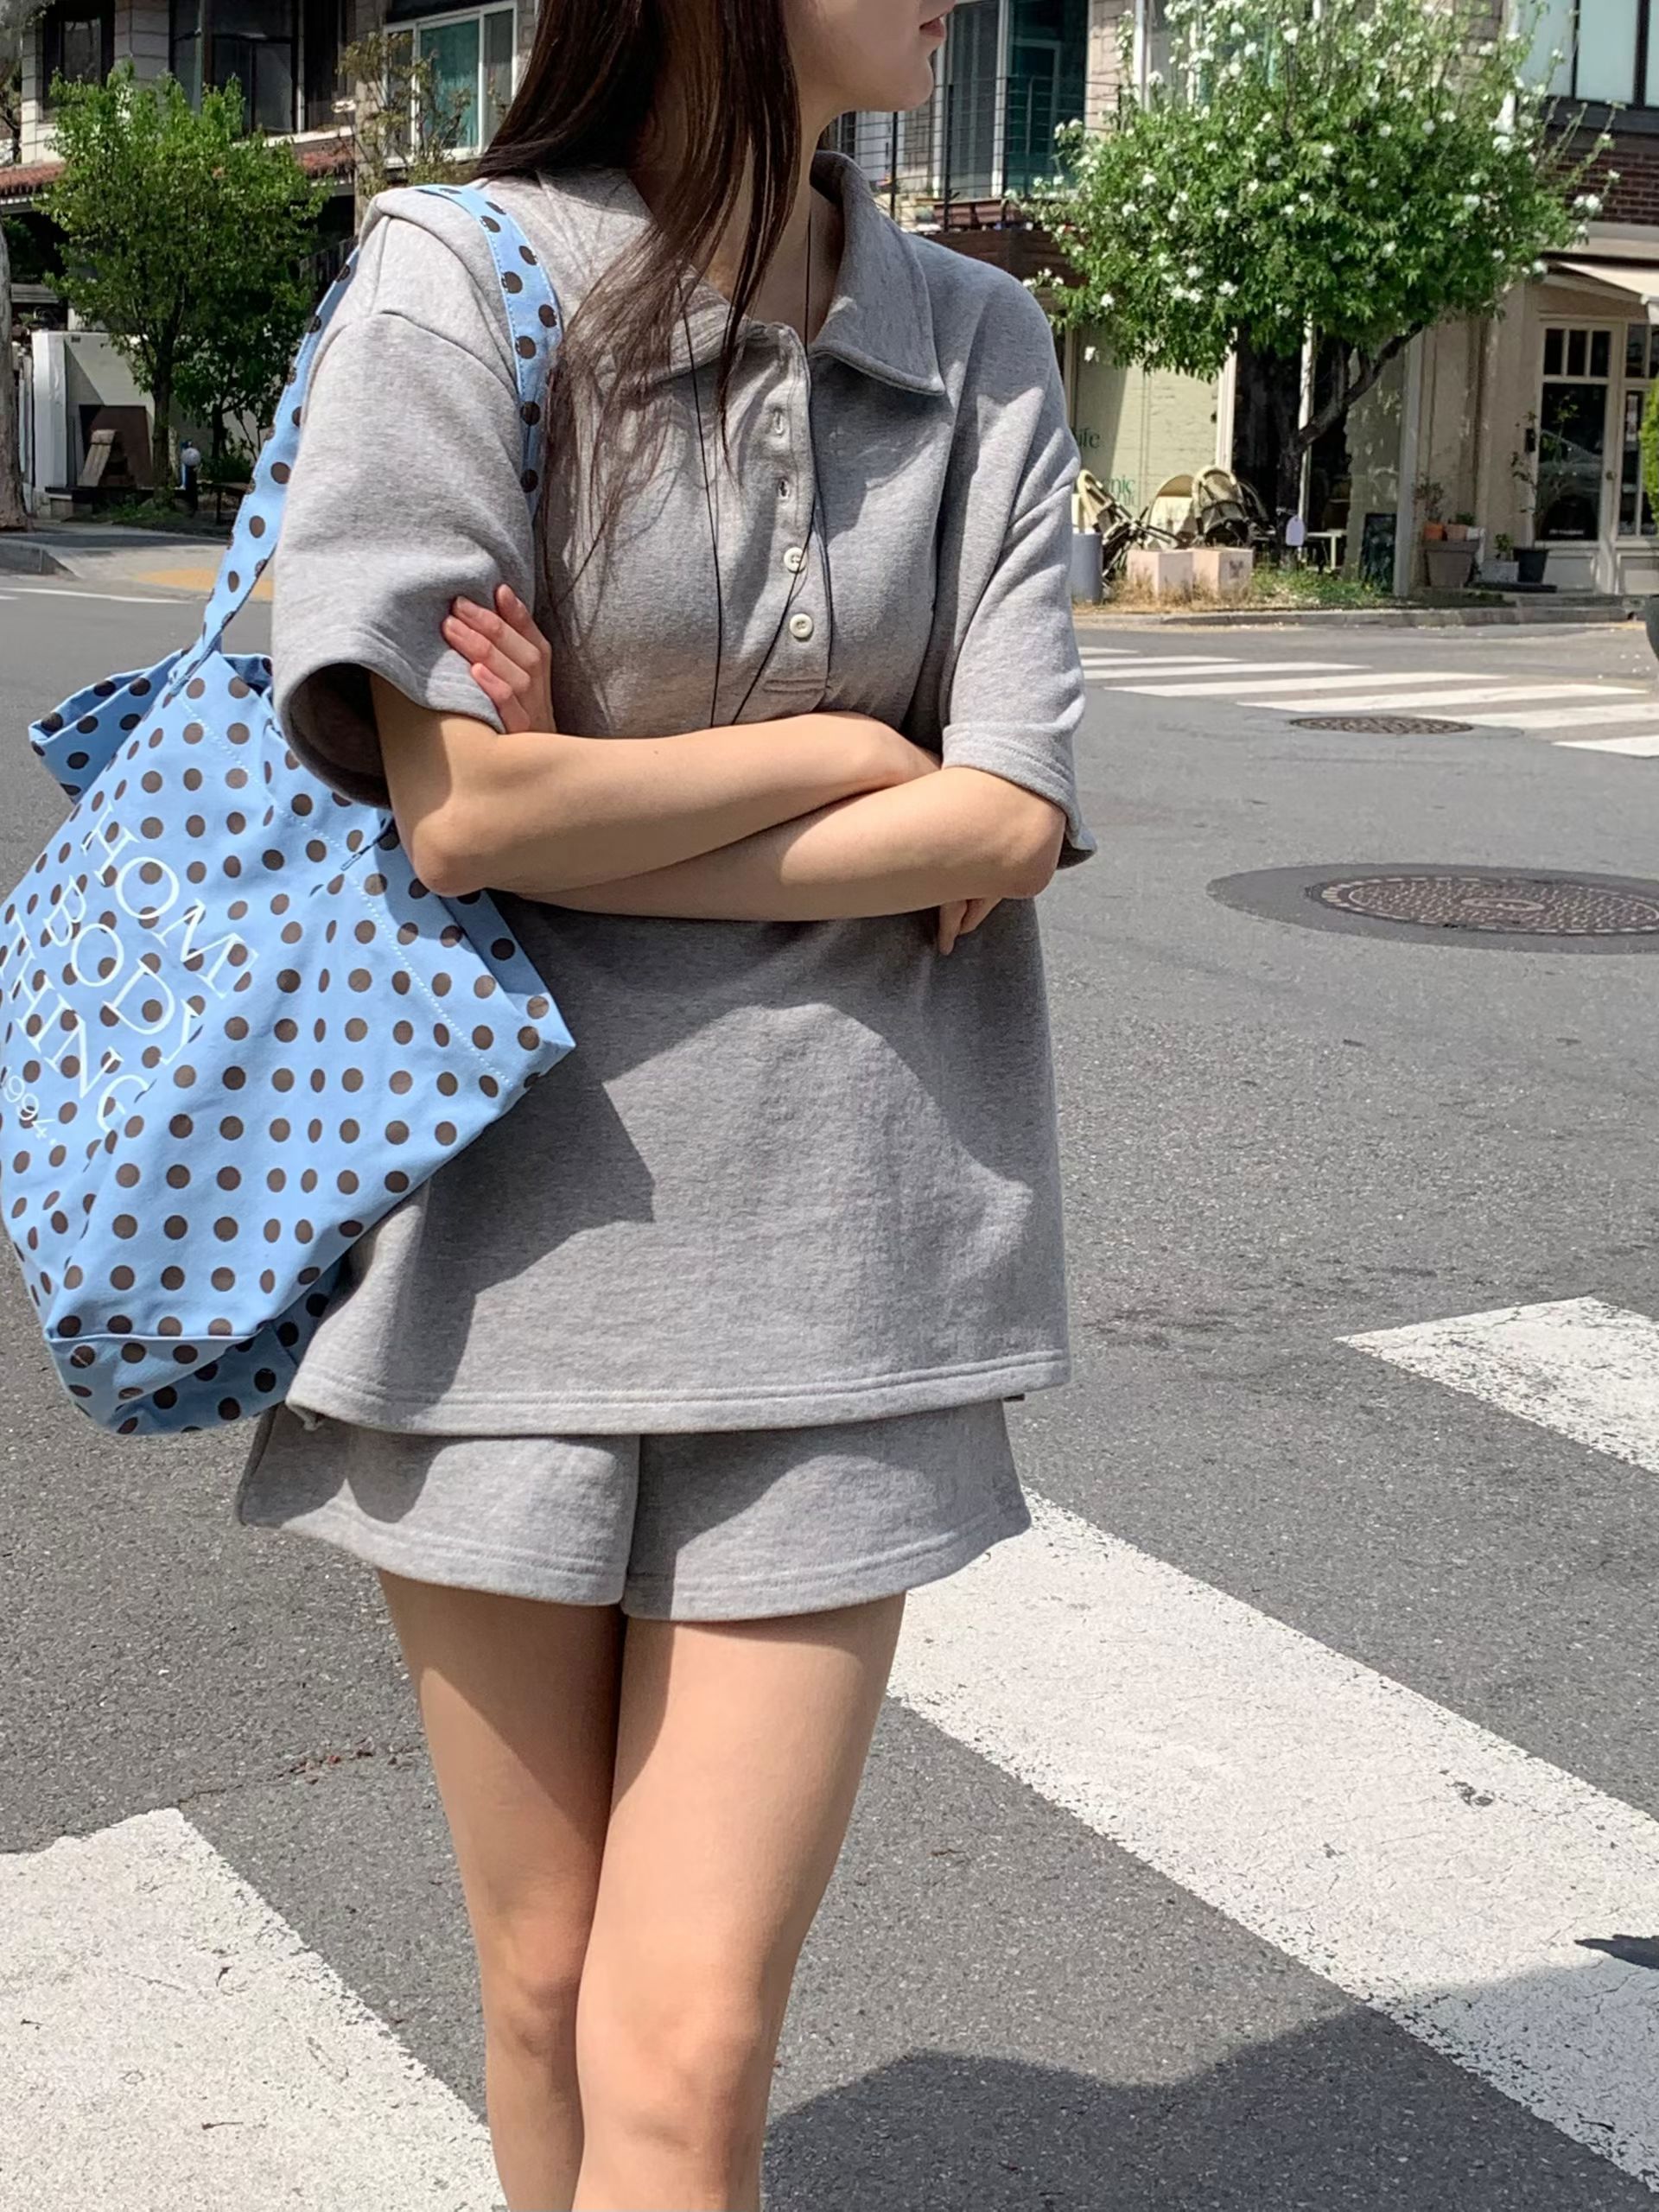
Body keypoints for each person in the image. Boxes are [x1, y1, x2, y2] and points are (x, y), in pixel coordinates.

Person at [236, 1, 1096, 2203]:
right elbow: (457, 811)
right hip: (497, 1253)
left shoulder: (980, 340)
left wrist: (578, 802)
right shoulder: (454, 280)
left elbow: (1008, 819)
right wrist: (850, 755)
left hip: (845, 1251)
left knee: (685, 2041)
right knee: (542, 1985)